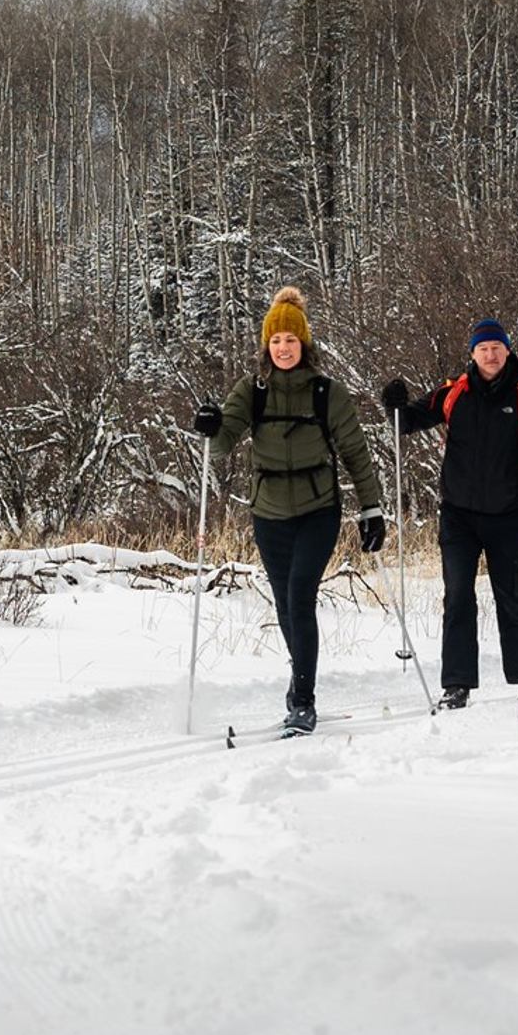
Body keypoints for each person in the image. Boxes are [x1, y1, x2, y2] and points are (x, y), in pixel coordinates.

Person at [195, 287, 387, 735]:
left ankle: (303, 700)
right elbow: (221, 445)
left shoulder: (326, 393)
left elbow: (356, 453)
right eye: (276, 341)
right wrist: (210, 426)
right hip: (269, 514)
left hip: (318, 510)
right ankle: (298, 679)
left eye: (291, 341)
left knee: (300, 597)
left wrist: (371, 508)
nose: (283, 348)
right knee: (284, 605)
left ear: (304, 345)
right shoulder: (252, 391)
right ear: (267, 346)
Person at [383, 319, 518, 708]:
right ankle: (457, 685)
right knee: (457, 596)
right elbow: (409, 421)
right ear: (472, 353)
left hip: (509, 513)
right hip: (459, 516)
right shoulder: (455, 393)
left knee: (512, 597)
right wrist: (394, 405)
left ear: (507, 350)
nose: (491, 354)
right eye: (483, 348)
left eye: (497, 347)